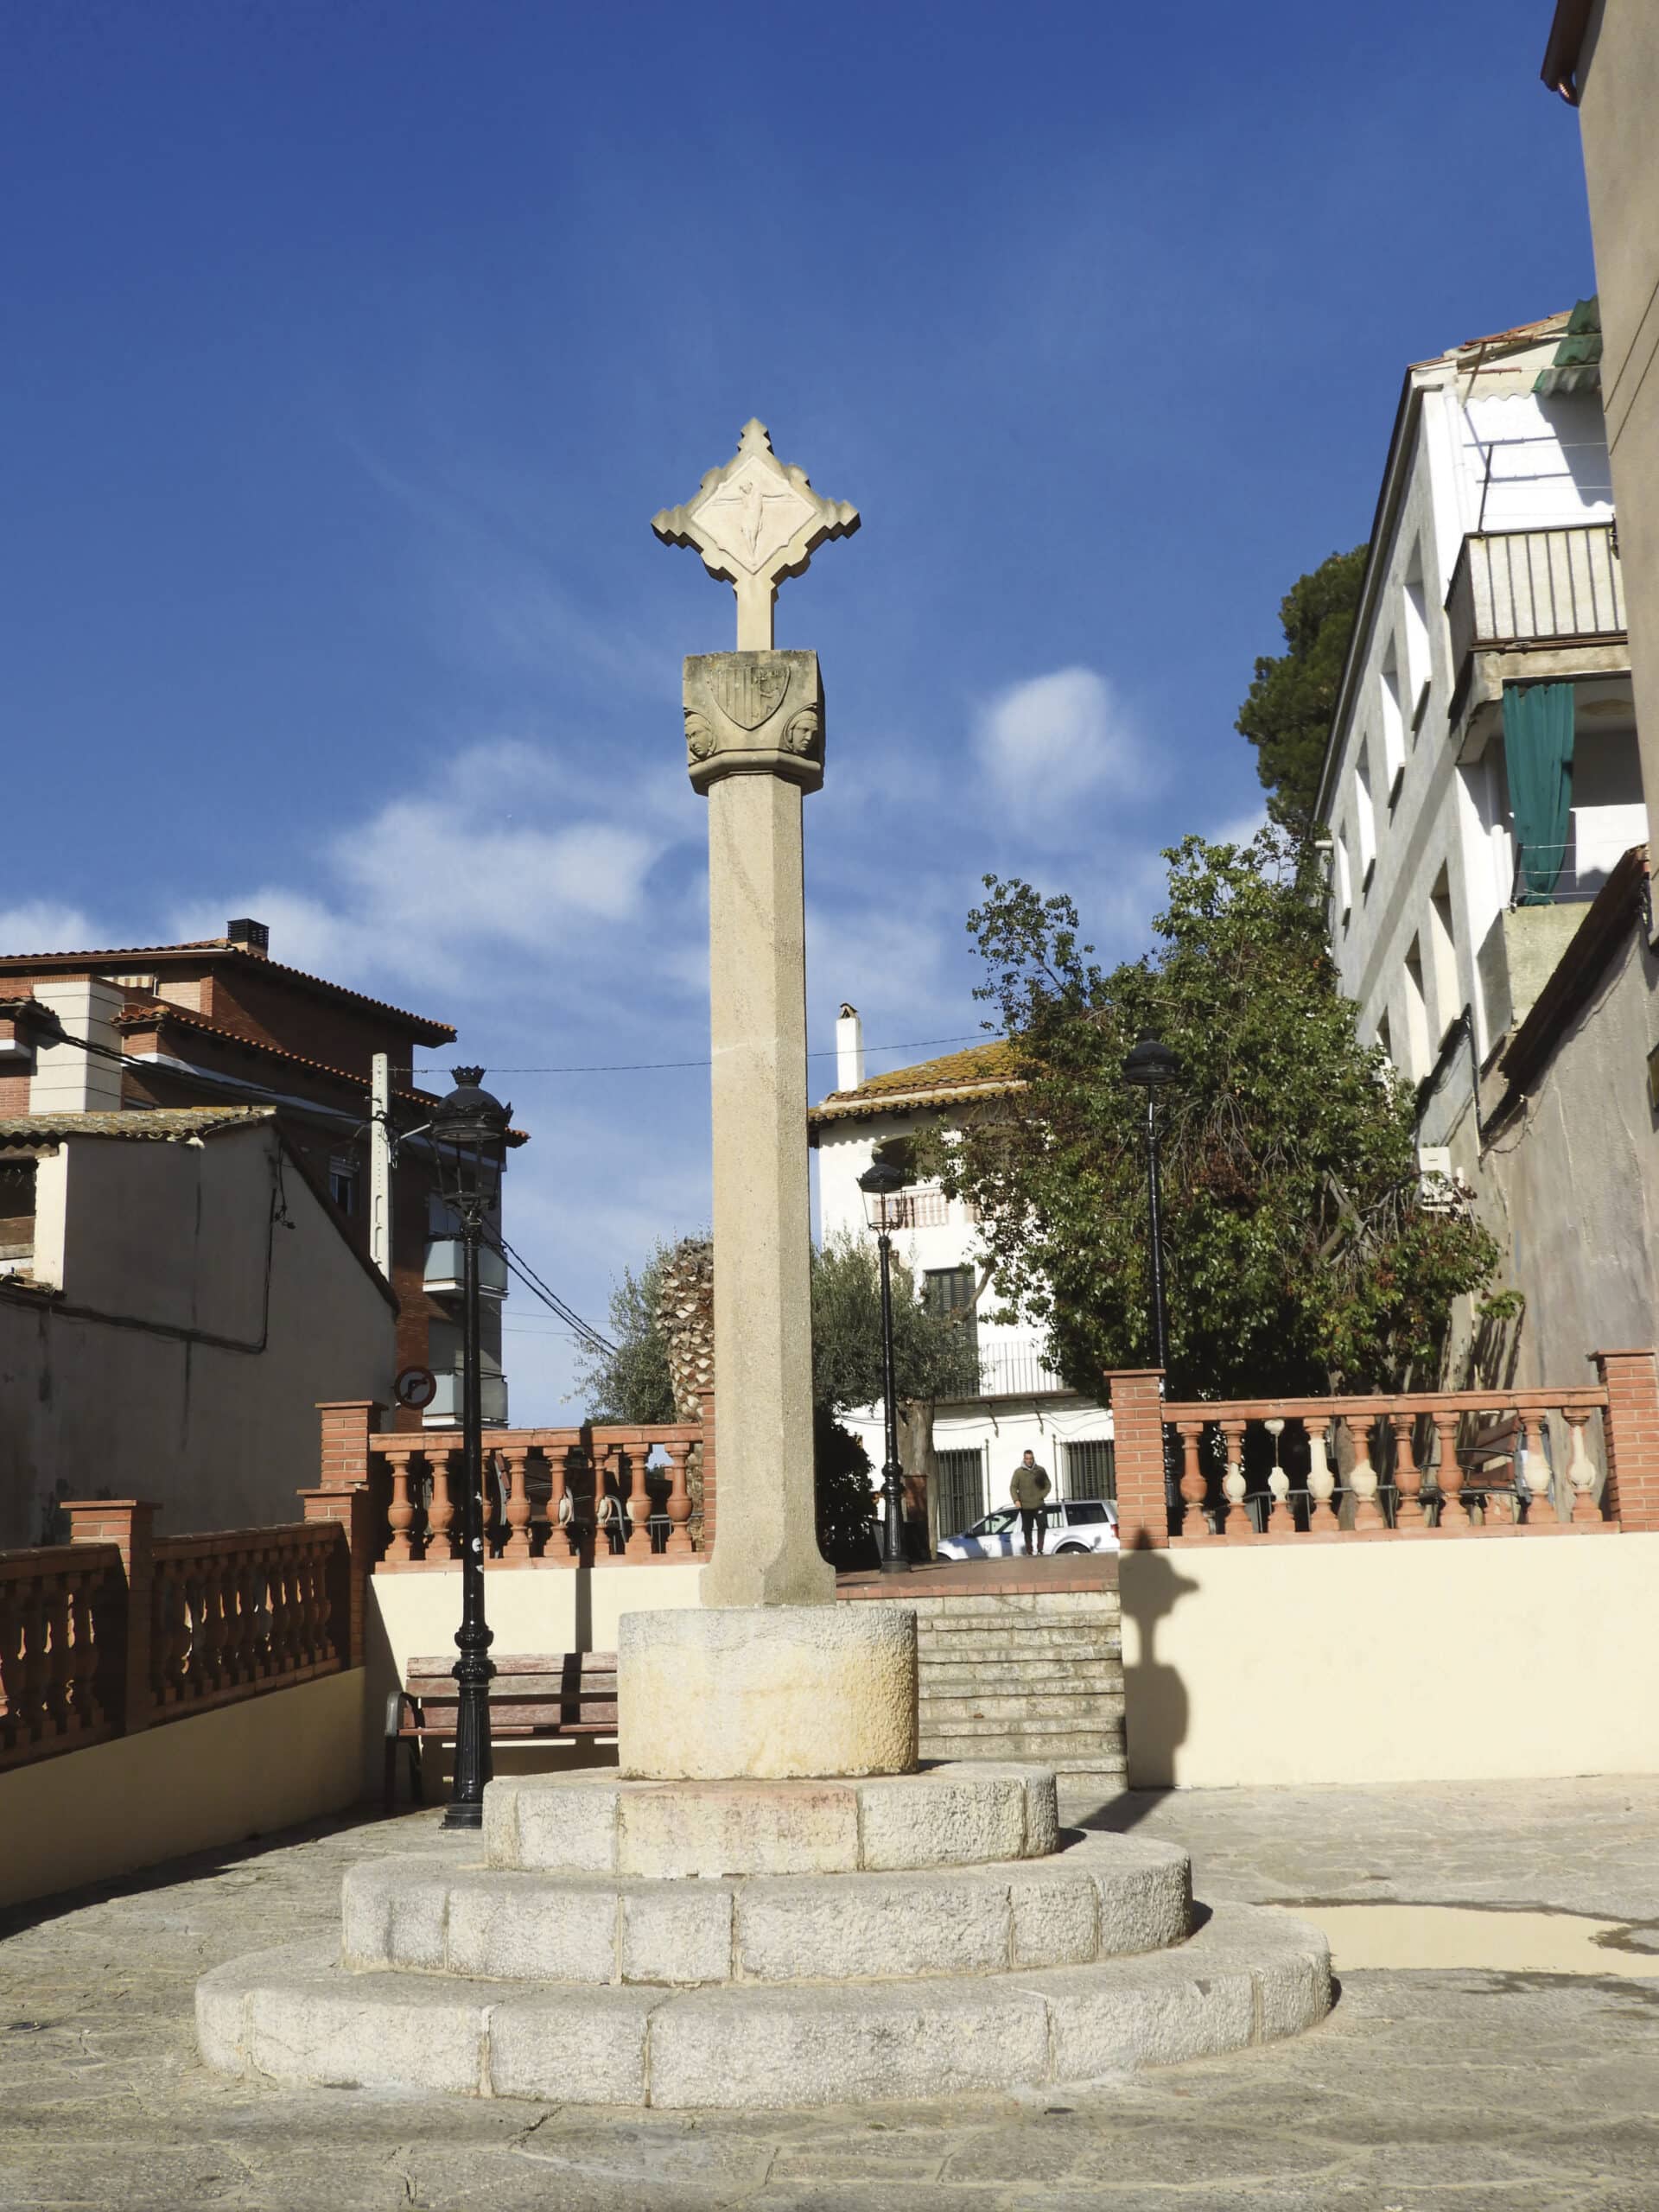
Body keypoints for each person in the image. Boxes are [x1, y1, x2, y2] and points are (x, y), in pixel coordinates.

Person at [1009, 1449, 1052, 1555]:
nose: (1029, 1461)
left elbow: (1048, 1485)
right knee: (1027, 1529)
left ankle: (1040, 1549)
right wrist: (1016, 1500)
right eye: (1027, 1459)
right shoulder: (1018, 1472)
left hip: (1039, 1505)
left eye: (1031, 1458)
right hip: (1025, 1506)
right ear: (1024, 1459)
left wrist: (1042, 1495)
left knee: (1042, 1525)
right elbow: (1013, 1487)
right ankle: (1029, 1550)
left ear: (1033, 1459)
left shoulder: (1040, 1470)